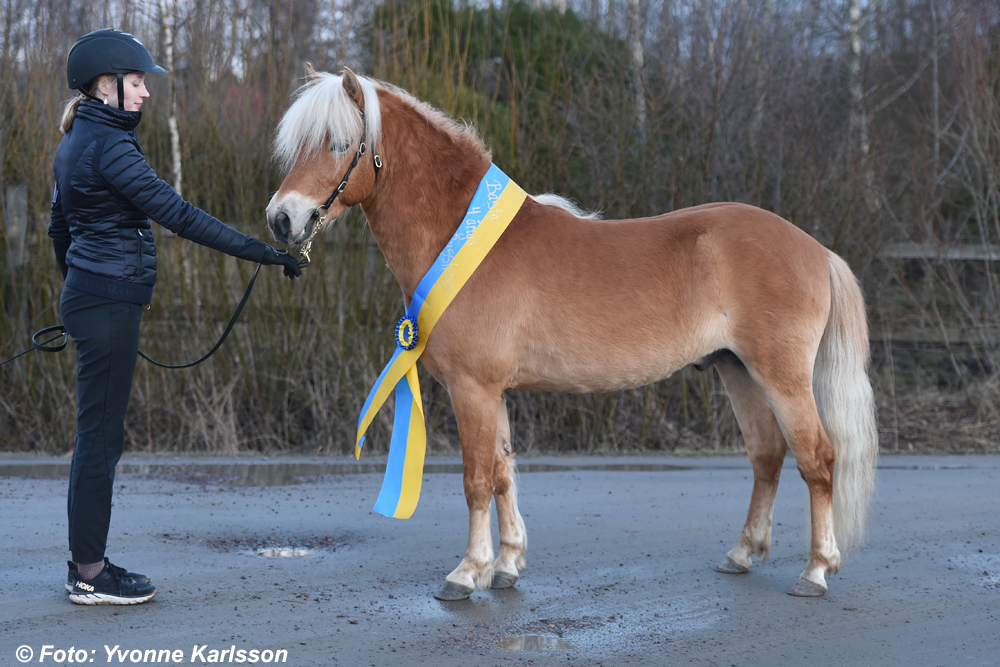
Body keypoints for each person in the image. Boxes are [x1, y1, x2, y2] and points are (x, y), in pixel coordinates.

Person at [48, 29, 300, 605]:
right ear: (104, 86)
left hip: (95, 299)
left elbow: (59, 231)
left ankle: (86, 567)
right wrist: (261, 251)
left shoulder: (77, 140)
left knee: (96, 440)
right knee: (99, 444)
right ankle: (89, 575)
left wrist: (79, 288)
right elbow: (178, 215)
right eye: (136, 82)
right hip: (106, 304)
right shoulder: (109, 148)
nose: (145, 92)